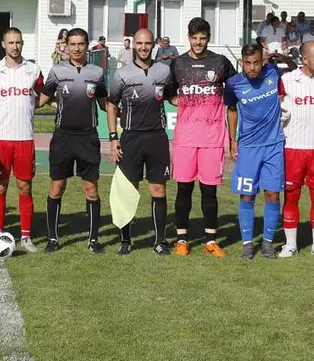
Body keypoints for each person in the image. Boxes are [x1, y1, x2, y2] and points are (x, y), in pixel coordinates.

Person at [169, 17, 237, 257]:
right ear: (189, 38)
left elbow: (235, 90)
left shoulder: (220, 62)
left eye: (203, 38)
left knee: (209, 191)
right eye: (194, 38)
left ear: (208, 38)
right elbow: (168, 92)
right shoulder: (178, 63)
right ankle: (181, 240)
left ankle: (210, 241)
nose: (198, 42)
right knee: (184, 189)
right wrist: (181, 101)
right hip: (185, 138)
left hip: (212, 139)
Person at [106, 28, 174, 256]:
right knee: (128, 189)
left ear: (154, 45)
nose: (144, 47)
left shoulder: (164, 71)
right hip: (131, 138)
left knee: (158, 189)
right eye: (140, 43)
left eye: (147, 43)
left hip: (157, 137)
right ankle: (125, 241)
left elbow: (172, 96)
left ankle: (160, 241)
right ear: (133, 45)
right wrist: (113, 137)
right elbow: (111, 105)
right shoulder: (122, 74)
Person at [42, 27, 107, 254]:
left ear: (87, 45)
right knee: (56, 187)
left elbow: (104, 103)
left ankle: (93, 239)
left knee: (91, 189)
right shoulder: (56, 71)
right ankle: (52, 238)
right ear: (66, 46)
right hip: (63, 137)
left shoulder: (97, 72)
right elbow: (42, 99)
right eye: (73, 44)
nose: (77, 48)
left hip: (88, 138)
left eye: (81, 44)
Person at [225, 45, 287, 260]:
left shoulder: (273, 73)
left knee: (272, 194)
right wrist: (232, 140)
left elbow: (295, 69)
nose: (252, 68)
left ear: (263, 61)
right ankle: (248, 244)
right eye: (248, 63)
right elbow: (231, 110)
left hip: (274, 145)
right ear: (242, 62)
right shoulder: (233, 84)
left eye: (256, 63)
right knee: (247, 195)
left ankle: (268, 243)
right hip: (249, 147)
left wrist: (279, 56)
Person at [0, 26, 45, 252]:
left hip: (24, 138)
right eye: (10, 42)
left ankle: (26, 237)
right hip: (0, 138)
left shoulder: (33, 70)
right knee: (0, 187)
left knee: (25, 187)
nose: (14, 46)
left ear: (22, 43)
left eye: (18, 42)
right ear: (3, 45)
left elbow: (43, 95)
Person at [279, 41, 314, 259]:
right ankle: (290, 244)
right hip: (293, 148)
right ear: (304, 59)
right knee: (291, 197)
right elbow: (273, 104)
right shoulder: (286, 80)